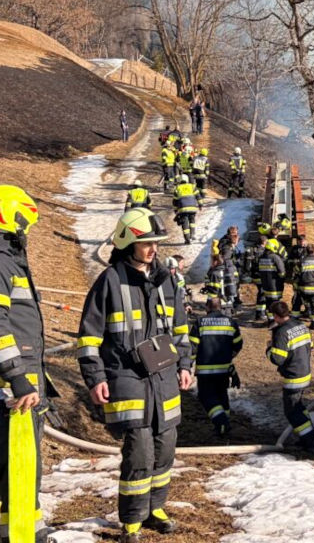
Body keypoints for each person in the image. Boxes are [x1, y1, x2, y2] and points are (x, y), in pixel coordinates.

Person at [77, 208, 192, 543]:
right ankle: (131, 520)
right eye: (146, 244)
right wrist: (95, 377)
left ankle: (156, 508)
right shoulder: (110, 281)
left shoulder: (166, 280)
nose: (153, 249)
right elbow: (88, 337)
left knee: (165, 446)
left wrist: (185, 365)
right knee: (139, 451)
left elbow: (181, 330)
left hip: (165, 378)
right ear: (127, 242)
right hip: (126, 379)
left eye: (156, 243)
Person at [0, 186, 52, 543]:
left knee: (19, 468)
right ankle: (20, 537)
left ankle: (26, 531)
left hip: (22, 378)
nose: (27, 234)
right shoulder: (2, 261)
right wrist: (17, 376)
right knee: (18, 468)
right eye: (26, 225)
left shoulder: (8, 259)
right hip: (15, 387)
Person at [188, 297, 241, 436]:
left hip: (206, 370)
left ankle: (221, 422)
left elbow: (193, 347)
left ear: (207, 307)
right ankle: (224, 424)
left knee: (206, 396)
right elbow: (238, 344)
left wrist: (188, 365)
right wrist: (229, 356)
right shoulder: (231, 322)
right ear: (221, 307)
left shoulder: (200, 323)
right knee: (222, 394)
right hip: (224, 369)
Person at [266, 301, 314, 451]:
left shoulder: (282, 332)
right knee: (299, 407)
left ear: (275, 316)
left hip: (293, 377)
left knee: (292, 412)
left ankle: (309, 442)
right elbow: (310, 346)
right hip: (305, 372)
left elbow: (278, 359)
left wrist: (269, 349)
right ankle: (306, 436)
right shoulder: (300, 325)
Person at [255, 233, 286, 322]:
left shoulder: (262, 258)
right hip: (275, 285)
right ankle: (275, 321)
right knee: (275, 303)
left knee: (269, 303)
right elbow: (282, 272)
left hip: (265, 285)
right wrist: (281, 279)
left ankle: (271, 320)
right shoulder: (275, 258)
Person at [172, 175, 199, 244]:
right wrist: (200, 204)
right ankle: (192, 234)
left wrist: (175, 210)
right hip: (192, 208)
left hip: (182, 209)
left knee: (185, 224)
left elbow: (175, 201)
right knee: (192, 221)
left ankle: (187, 239)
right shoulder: (192, 186)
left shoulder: (177, 188)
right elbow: (198, 196)